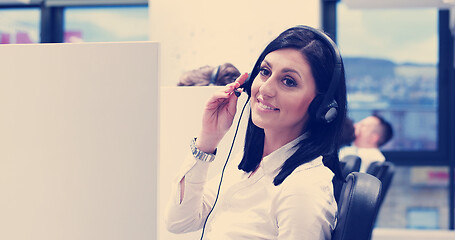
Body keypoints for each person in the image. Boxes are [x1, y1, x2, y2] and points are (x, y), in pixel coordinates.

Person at [164, 25, 347, 240]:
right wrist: (207, 140)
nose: (265, 89)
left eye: (289, 81)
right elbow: (179, 221)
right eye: (265, 72)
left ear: (321, 106)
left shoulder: (301, 189)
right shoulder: (250, 167)